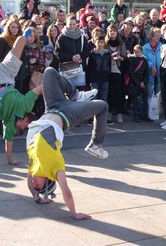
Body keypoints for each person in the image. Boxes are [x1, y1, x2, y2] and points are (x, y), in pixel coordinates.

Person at [26, 66, 109, 219]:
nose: (34, 182)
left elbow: (30, 185)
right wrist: (74, 214)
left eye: (35, 185)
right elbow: (66, 192)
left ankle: (75, 95)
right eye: (39, 186)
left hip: (51, 107)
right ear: (48, 181)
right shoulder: (55, 168)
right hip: (67, 115)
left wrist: (37, 197)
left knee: (49, 72)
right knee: (102, 106)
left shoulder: (33, 166)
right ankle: (96, 145)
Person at [0, 17, 42, 165]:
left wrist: (10, 160)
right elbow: (39, 89)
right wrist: (55, 89)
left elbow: (8, 142)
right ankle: (23, 32)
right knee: (21, 40)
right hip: (8, 76)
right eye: (26, 125)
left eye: (24, 128)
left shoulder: (9, 123)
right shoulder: (26, 106)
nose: (25, 126)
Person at [105, 24, 126, 123]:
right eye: (110, 31)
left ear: (117, 32)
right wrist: (109, 57)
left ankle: (119, 114)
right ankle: (109, 113)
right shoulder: (105, 43)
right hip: (107, 72)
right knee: (109, 94)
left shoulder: (121, 43)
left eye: (114, 31)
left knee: (118, 94)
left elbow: (125, 58)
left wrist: (120, 58)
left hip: (118, 71)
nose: (112, 33)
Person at [127, 45, 149, 122]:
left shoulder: (144, 60)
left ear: (141, 52)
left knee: (145, 100)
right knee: (135, 101)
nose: (137, 53)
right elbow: (131, 73)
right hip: (135, 83)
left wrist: (144, 82)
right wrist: (139, 82)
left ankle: (145, 115)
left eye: (138, 52)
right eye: (135, 52)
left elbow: (147, 73)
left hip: (143, 82)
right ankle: (136, 116)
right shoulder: (131, 60)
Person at [86, 36, 111, 102]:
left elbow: (109, 66)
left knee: (104, 97)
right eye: (98, 42)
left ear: (104, 43)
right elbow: (89, 67)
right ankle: (94, 112)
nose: (100, 44)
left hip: (105, 78)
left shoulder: (107, 54)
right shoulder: (92, 54)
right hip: (94, 79)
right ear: (95, 43)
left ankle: (104, 112)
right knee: (94, 98)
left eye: (102, 42)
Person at [143, 28, 162, 102]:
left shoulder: (163, 47)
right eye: (156, 35)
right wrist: (151, 66)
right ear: (151, 37)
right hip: (149, 74)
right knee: (149, 94)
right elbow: (143, 60)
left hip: (160, 75)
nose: (158, 37)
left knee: (159, 95)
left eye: (159, 35)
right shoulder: (144, 48)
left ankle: (157, 112)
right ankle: (148, 111)